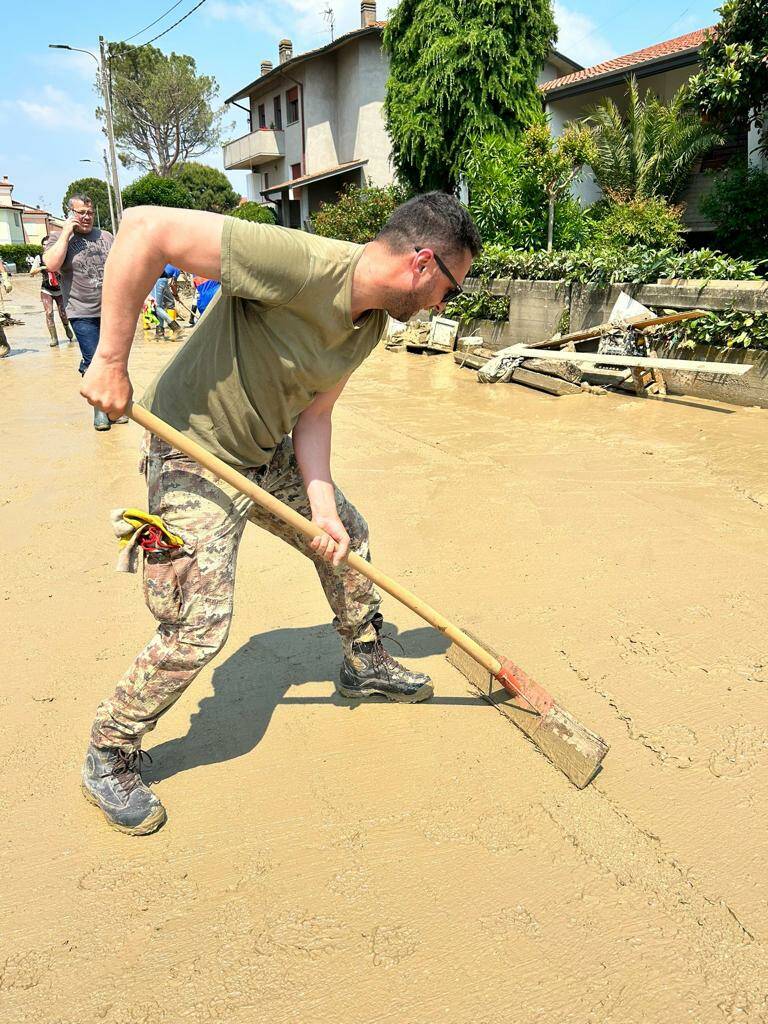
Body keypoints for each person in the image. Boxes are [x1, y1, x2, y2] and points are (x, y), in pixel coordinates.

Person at [79, 192, 481, 835]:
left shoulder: (369, 323)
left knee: (352, 539)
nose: (443, 307)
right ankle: (110, 749)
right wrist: (110, 361)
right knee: (199, 623)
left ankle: (363, 660)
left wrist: (322, 509)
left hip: (265, 455)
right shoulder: (300, 264)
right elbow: (145, 228)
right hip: (192, 453)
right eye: (449, 291)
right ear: (424, 264)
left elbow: (315, 416)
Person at [43, 193, 127, 431]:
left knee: (112, 361)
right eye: (81, 213)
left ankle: (110, 404)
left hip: (111, 311)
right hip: (81, 311)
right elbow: (51, 264)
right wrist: (67, 234)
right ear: (70, 213)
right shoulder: (58, 238)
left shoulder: (106, 237)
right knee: (95, 362)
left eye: (90, 212)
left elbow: (123, 265)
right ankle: (101, 411)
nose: (87, 217)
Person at [29, 237, 75, 347]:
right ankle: (54, 338)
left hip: (60, 289)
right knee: (49, 312)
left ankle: (66, 327)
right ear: (42, 246)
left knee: (63, 313)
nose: (46, 246)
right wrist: (43, 267)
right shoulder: (39, 258)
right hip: (46, 289)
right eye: (44, 244)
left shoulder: (59, 255)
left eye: (48, 244)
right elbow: (31, 272)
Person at [150, 269, 182, 340]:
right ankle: (159, 332)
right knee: (160, 307)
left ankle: (176, 327)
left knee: (155, 306)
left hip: (156, 280)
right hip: (163, 280)